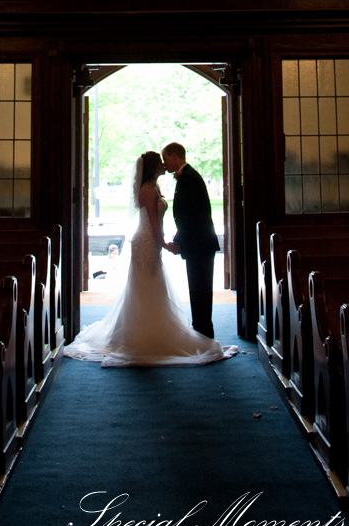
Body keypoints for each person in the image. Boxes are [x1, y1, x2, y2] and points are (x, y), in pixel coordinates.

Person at [64, 150, 236, 367]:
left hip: (153, 242)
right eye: (160, 162)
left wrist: (167, 242)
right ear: (154, 167)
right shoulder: (147, 189)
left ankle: (158, 328)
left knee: (154, 285)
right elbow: (153, 222)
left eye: (166, 160)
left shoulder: (155, 187)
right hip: (146, 240)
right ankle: (142, 334)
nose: (164, 165)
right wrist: (163, 242)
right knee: (144, 286)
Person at [161, 142, 219, 338]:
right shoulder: (187, 177)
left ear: (175, 156)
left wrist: (179, 241)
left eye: (166, 158)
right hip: (198, 243)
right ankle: (201, 331)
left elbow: (192, 216)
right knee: (198, 289)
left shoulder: (189, 178)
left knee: (201, 290)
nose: (164, 163)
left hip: (199, 243)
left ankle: (204, 333)